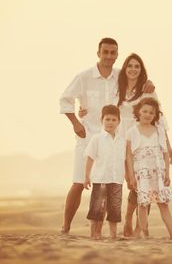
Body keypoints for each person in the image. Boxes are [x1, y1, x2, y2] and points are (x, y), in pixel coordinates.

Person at [59, 38, 154, 234]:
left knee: (120, 184)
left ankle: (129, 225)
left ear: (117, 55)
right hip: (88, 137)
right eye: (105, 52)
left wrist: (149, 83)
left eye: (113, 53)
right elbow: (65, 99)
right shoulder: (84, 77)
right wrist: (76, 122)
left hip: (115, 140)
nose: (109, 56)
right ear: (98, 53)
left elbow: (139, 82)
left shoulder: (121, 76)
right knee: (78, 182)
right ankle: (65, 227)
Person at [79, 53, 172, 236]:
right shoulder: (116, 87)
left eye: (137, 66)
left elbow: (159, 119)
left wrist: (168, 146)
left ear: (142, 70)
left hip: (142, 138)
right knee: (123, 182)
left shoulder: (148, 90)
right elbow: (104, 106)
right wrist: (83, 111)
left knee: (142, 184)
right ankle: (108, 225)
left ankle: (132, 221)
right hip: (120, 138)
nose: (133, 69)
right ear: (124, 69)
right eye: (130, 66)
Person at [126, 97, 172, 239]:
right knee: (143, 204)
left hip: (158, 173)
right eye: (144, 111)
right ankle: (144, 234)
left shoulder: (159, 131)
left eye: (151, 112)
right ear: (138, 112)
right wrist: (131, 176)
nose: (147, 115)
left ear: (155, 115)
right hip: (142, 173)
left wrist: (167, 173)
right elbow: (129, 156)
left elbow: (165, 153)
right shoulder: (132, 131)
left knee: (163, 204)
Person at [83, 105, 126, 239]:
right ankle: (95, 234)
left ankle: (113, 235)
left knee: (115, 209)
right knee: (97, 208)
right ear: (101, 120)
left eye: (114, 120)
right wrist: (86, 177)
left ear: (119, 122)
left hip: (117, 180)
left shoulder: (122, 141)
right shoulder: (97, 139)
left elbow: (124, 161)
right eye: (107, 119)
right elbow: (90, 158)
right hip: (100, 179)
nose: (110, 122)